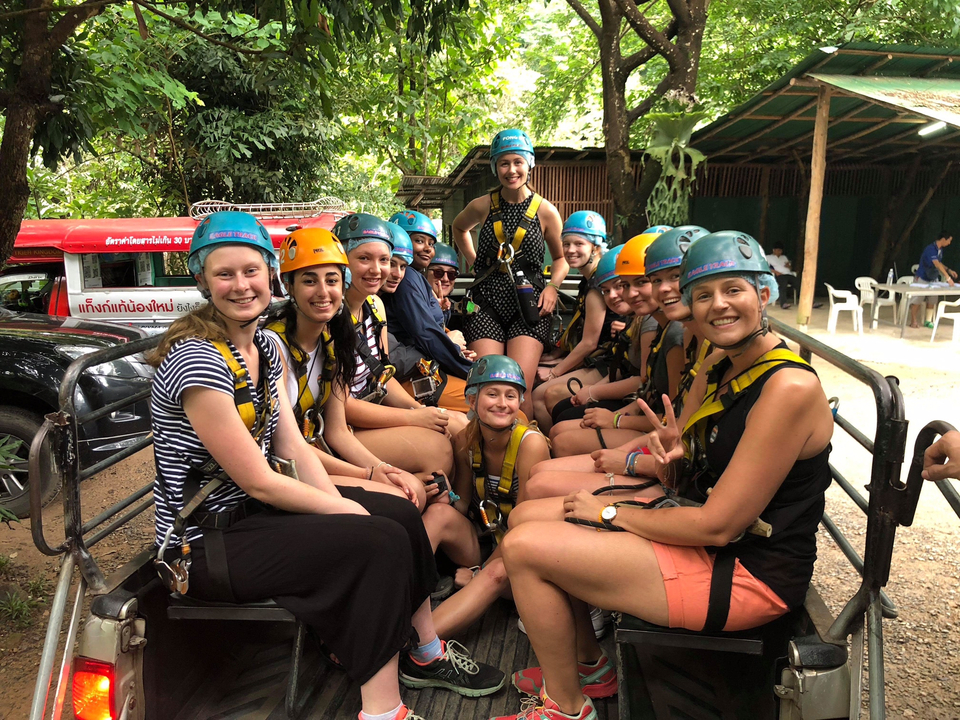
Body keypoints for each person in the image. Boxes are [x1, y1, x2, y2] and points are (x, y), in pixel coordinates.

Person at [147, 211, 504, 720]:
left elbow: (290, 446)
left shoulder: (264, 347)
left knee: (399, 513)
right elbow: (261, 480)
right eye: (224, 274)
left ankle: (425, 651)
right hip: (203, 544)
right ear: (201, 278)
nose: (241, 286)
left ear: (270, 274)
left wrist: (360, 495)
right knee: (374, 538)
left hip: (252, 516)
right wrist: (345, 512)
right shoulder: (198, 361)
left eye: (251, 271)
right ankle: (383, 711)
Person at [491, 230, 834, 720]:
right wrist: (670, 454)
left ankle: (565, 707)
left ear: (764, 294)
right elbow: (683, 460)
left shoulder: (789, 388)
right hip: (704, 532)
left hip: (749, 574)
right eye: (703, 295)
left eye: (733, 289)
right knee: (525, 519)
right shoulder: (723, 363)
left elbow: (719, 525)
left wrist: (611, 512)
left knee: (524, 549)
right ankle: (589, 667)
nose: (718, 306)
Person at [263, 227, 425, 507]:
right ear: (289, 286)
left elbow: (335, 429)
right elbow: (288, 447)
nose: (323, 292)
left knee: (413, 490)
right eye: (309, 281)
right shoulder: (273, 346)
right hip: (292, 467)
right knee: (401, 503)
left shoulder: (334, 338)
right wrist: (369, 474)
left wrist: (382, 470)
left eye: (332, 280)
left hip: (317, 451)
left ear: (343, 283)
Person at [333, 212, 466, 478]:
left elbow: (381, 374)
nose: (378, 270)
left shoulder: (375, 307)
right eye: (363, 258)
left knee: (459, 424)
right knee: (439, 446)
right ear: (341, 261)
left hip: (375, 406)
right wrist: (413, 417)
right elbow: (342, 405)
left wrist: (419, 410)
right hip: (346, 426)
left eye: (384, 260)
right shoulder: (331, 318)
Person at [427, 355, 550, 638]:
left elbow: (523, 525)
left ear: (520, 402)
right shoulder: (465, 440)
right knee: (437, 514)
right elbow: (463, 503)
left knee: (494, 575)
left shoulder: (530, 444)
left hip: (520, 549)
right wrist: (443, 495)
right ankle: (400, 593)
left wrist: (480, 571)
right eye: (491, 394)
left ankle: (419, 643)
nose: (502, 403)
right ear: (472, 401)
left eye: (510, 395)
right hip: (489, 538)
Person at [452, 129, 568, 417]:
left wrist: (553, 286)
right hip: (486, 305)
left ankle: (524, 450)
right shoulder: (483, 205)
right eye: (504, 163)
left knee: (518, 391)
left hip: (529, 308)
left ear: (529, 164)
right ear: (495, 167)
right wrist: (474, 259)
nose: (512, 170)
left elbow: (561, 258)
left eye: (518, 162)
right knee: (488, 386)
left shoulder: (546, 211)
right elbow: (459, 227)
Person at [532, 211, 616, 428]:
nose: (570, 250)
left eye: (579, 244)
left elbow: (590, 342)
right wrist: (557, 354)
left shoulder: (598, 284)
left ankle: (549, 447)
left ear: (596, 247)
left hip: (606, 361)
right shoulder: (589, 279)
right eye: (566, 244)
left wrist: (554, 372)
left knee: (541, 394)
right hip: (598, 358)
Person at [379, 224, 470, 413]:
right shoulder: (408, 281)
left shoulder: (377, 302)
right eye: (388, 263)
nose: (396, 274)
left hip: (418, 371)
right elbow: (425, 335)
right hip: (412, 377)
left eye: (452, 274)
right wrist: (466, 366)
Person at [910, 231, 957, 329]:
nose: (949, 243)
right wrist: (948, 278)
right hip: (922, 277)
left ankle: (928, 321)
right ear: (944, 239)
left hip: (932, 278)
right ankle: (913, 321)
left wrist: (949, 270)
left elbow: (940, 263)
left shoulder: (940, 250)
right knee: (917, 300)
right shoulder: (930, 249)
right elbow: (936, 264)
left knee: (932, 300)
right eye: (949, 241)